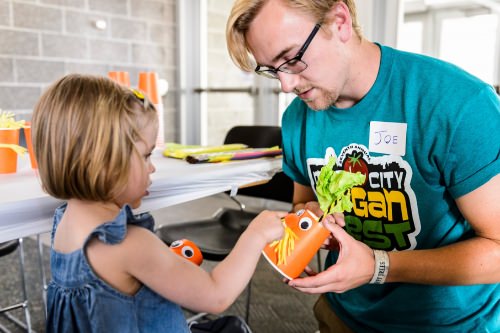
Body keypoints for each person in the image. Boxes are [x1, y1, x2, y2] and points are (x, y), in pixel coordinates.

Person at [226, 0, 500, 332]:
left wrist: (378, 266)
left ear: (339, 21)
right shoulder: (297, 118)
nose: (285, 85)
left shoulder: (458, 105)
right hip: (341, 314)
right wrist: (311, 217)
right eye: (271, 69)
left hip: (448, 324)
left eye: (292, 59)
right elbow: (302, 204)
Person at [31, 73, 286, 332]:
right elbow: (216, 295)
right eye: (146, 155)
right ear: (105, 162)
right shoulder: (130, 244)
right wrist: (255, 234)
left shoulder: (64, 223)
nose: (152, 168)